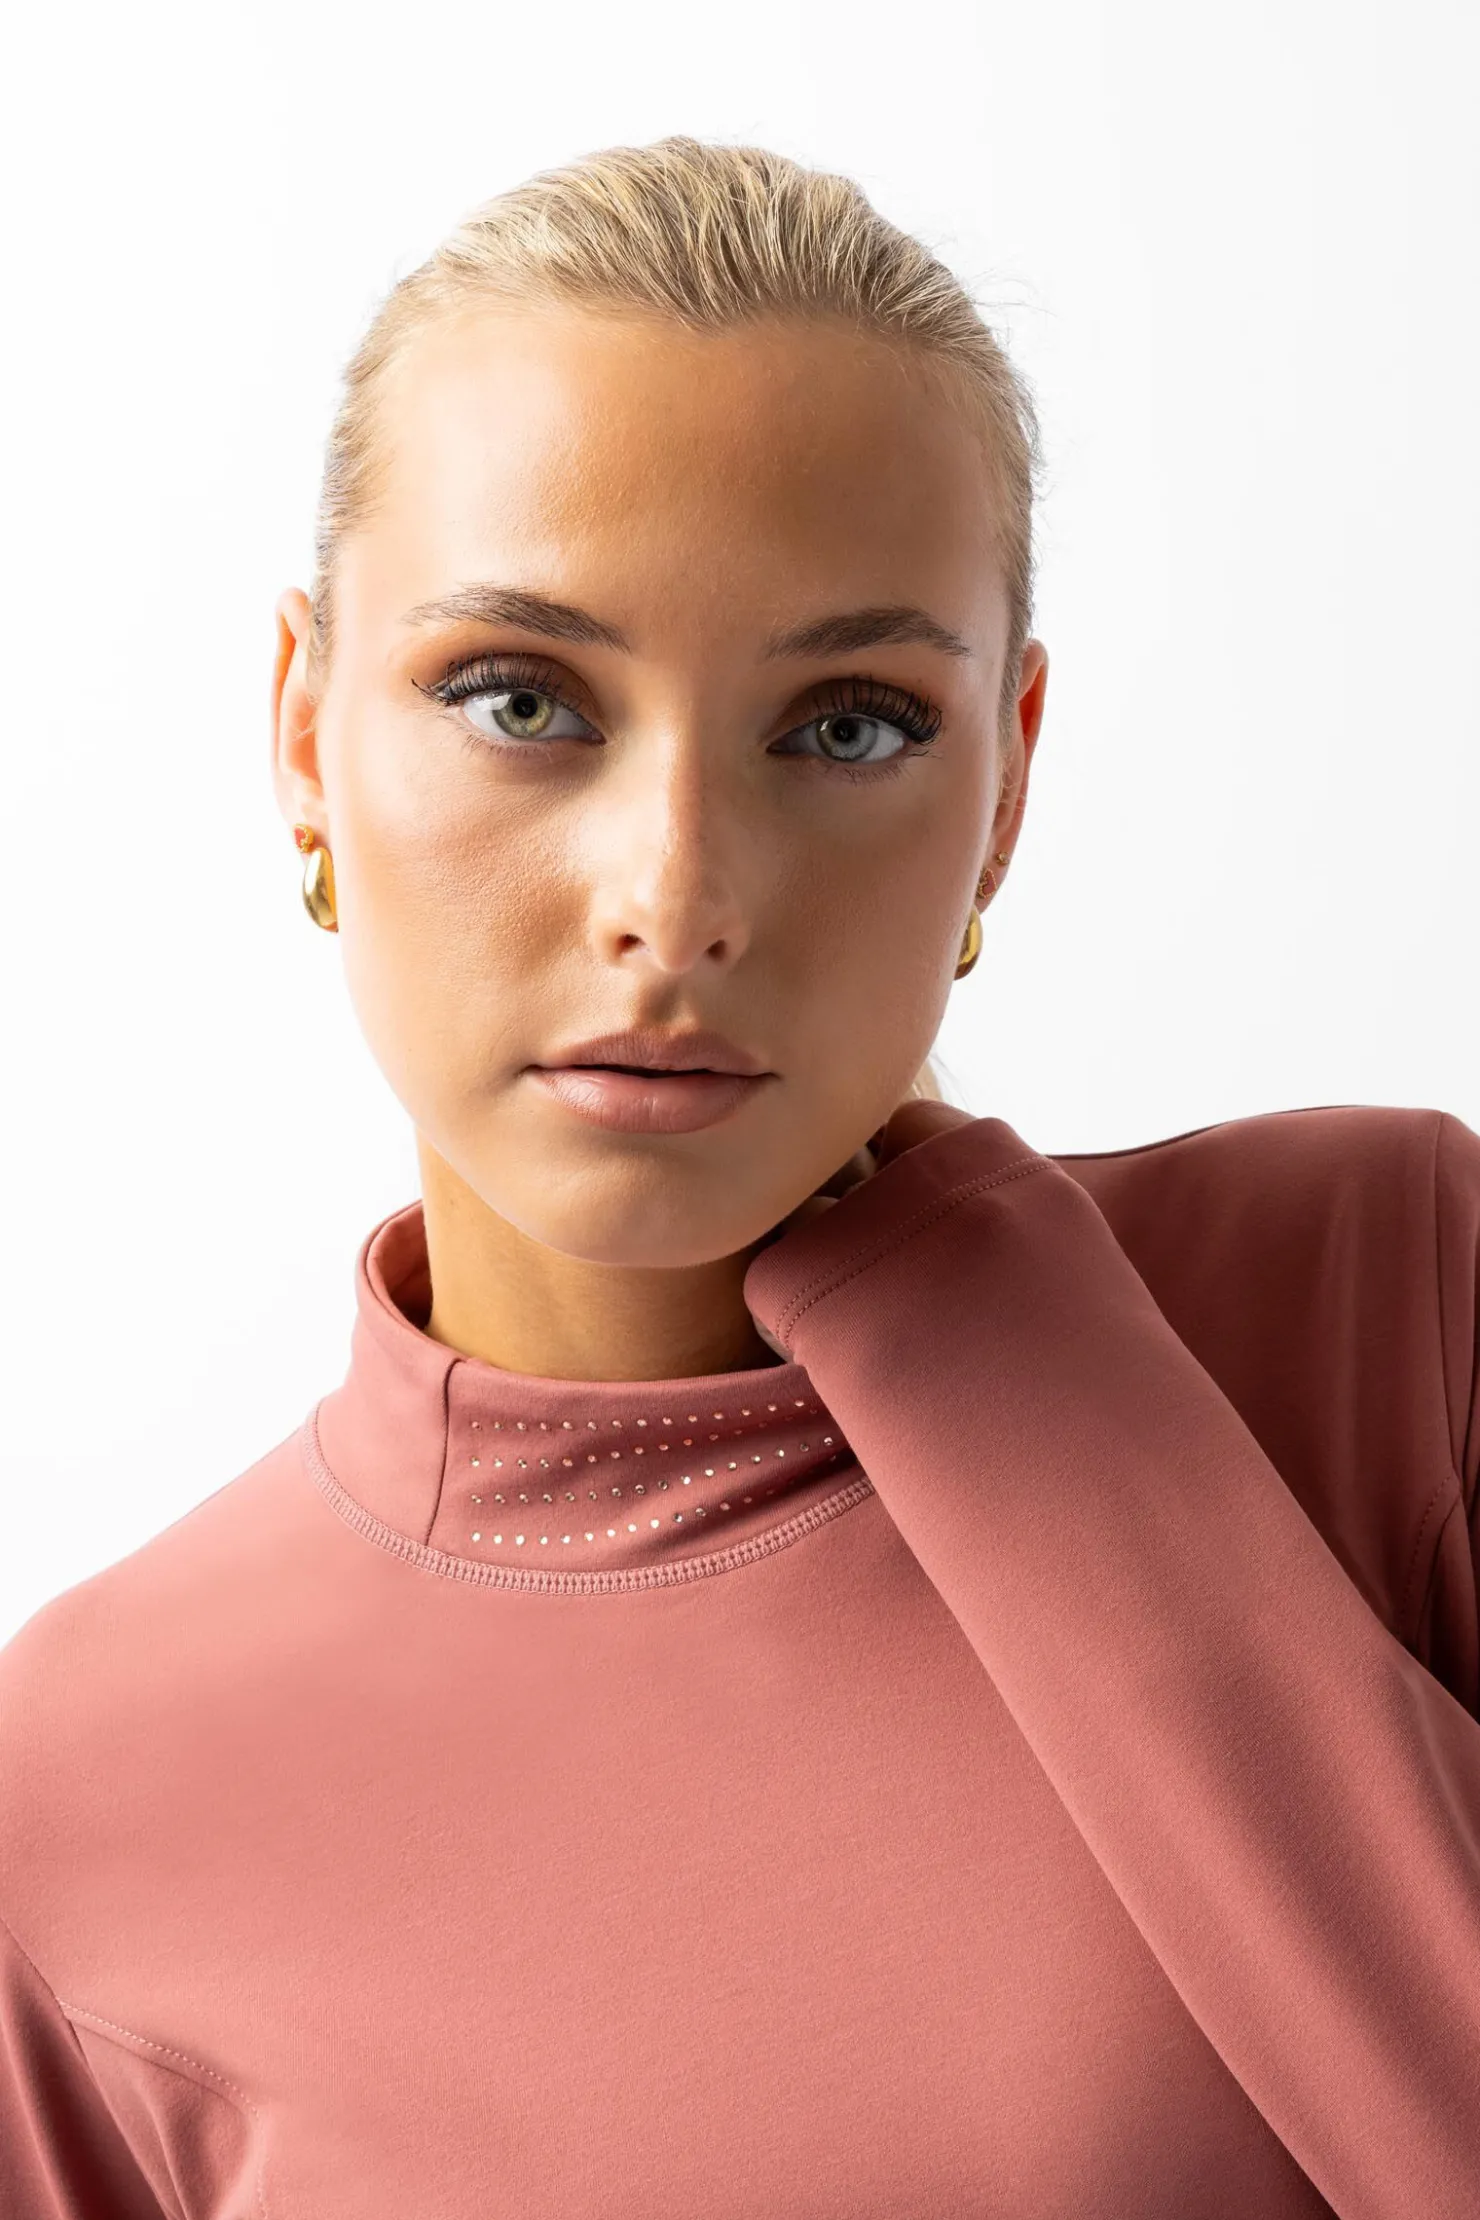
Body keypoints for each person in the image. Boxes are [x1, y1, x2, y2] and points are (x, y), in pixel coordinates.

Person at [1, 136, 1477, 2220]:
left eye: (848, 726)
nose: (676, 894)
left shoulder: (1379, 1315)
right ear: (307, 735)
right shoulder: (70, 1795)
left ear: (1006, 785)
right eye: (521, 699)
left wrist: (1025, 1377)